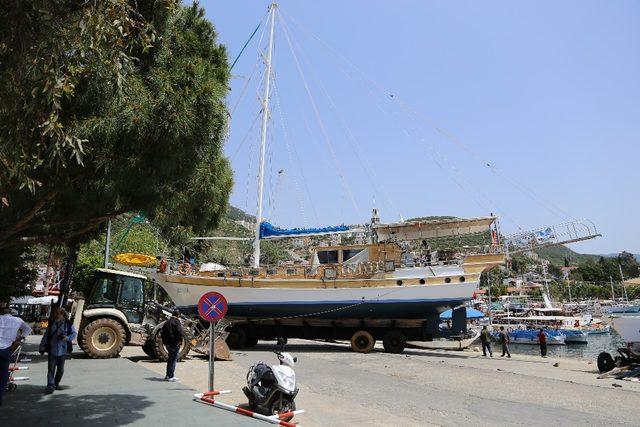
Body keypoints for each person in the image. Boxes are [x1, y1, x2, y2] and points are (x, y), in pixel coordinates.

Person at [0, 303, 32, 407]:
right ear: (11, 313)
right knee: (3, 375)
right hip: (7, 349)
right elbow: (28, 329)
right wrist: (19, 338)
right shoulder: (18, 320)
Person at [40, 307, 77, 393]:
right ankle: (50, 386)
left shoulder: (68, 323)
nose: (56, 315)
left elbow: (74, 333)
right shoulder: (52, 323)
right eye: (55, 313)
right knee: (51, 369)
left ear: (63, 314)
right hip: (52, 349)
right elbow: (46, 335)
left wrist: (67, 338)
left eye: (58, 313)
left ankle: (56, 384)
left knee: (60, 370)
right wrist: (42, 346)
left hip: (63, 350)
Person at [161, 309, 184, 382]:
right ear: (178, 315)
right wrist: (180, 341)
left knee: (170, 359)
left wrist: (164, 342)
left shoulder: (166, 322)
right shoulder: (177, 322)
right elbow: (180, 332)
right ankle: (171, 376)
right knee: (173, 360)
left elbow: (162, 333)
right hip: (175, 344)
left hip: (167, 344)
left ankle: (168, 375)